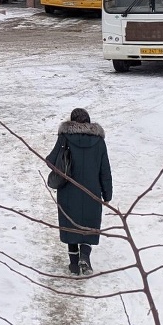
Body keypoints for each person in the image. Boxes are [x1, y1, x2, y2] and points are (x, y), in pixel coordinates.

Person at [45, 108, 112, 276]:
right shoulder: (99, 141)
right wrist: (107, 193)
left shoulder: (65, 138)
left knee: (71, 226)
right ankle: (85, 257)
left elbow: (51, 161)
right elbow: (105, 170)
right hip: (92, 191)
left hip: (68, 189)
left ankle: (74, 265)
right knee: (89, 224)